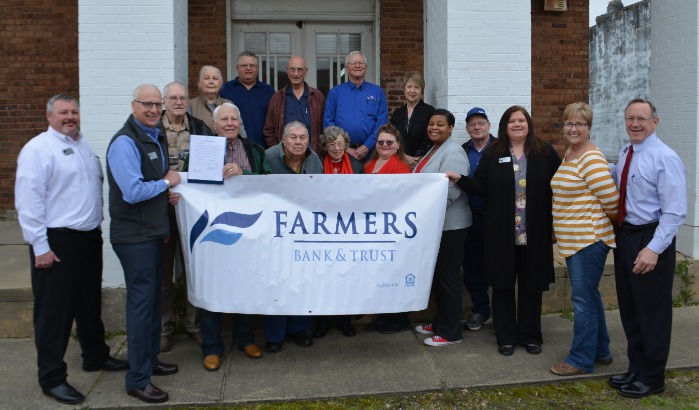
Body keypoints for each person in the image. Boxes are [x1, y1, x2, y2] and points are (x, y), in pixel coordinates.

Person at [15, 94, 129, 405]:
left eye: (74, 112)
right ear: (49, 116)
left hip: (87, 238)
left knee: (88, 304)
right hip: (56, 241)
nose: (70, 117)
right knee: (55, 314)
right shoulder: (38, 150)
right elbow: (28, 201)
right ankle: (51, 377)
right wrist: (39, 246)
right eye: (63, 112)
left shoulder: (83, 146)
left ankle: (95, 355)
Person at [446, 105, 561, 356]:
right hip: (501, 234)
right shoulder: (493, 153)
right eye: (512, 121)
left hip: (535, 233)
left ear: (528, 123)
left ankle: (530, 336)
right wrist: (459, 179)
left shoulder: (544, 152)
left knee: (531, 287)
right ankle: (506, 337)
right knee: (502, 286)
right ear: (504, 126)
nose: (517, 125)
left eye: (521, 120)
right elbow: (480, 186)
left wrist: (557, 225)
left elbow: (559, 189)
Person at [107, 84, 181, 404]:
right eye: (147, 104)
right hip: (134, 238)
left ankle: (149, 360)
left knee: (150, 303)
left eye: (157, 105)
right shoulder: (125, 142)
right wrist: (167, 182)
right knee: (140, 308)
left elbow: (153, 185)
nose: (153, 110)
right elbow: (133, 192)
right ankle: (138, 380)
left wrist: (167, 193)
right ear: (133, 105)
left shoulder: (153, 136)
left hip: (151, 233)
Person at [607, 99, 686, 398]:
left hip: (651, 239)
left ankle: (653, 377)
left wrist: (653, 249)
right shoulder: (628, 152)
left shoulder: (665, 157)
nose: (635, 124)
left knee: (652, 312)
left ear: (655, 121)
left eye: (642, 118)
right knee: (630, 308)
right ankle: (636, 369)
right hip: (627, 237)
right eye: (630, 118)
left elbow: (675, 211)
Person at [197, 103, 271, 371]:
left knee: (244, 283)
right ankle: (212, 347)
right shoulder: (203, 150)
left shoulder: (254, 150)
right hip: (211, 230)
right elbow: (188, 181)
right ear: (214, 124)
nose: (229, 123)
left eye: (234, 118)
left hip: (246, 230)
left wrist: (245, 174)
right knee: (212, 285)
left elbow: (266, 183)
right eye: (224, 119)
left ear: (240, 122)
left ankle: (245, 339)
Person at [549, 102, 618, 376]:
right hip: (574, 240)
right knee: (590, 296)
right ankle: (601, 351)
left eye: (580, 124)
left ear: (589, 128)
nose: (573, 128)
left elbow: (612, 200)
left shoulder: (591, 158)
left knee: (583, 301)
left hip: (588, 241)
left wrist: (600, 228)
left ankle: (580, 359)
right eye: (569, 123)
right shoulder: (570, 153)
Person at [158, 81, 213, 353]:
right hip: (162, 211)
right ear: (164, 101)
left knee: (193, 270)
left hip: (192, 210)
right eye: (173, 98)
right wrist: (162, 192)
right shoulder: (153, 131)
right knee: (164, 274)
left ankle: (194, 326)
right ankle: (164, 329)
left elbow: (207, 171)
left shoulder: (200, 129)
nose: (179, 102)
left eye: (182, 98)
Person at [413, 109, 471, 346]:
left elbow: (451, 191)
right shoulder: (434, 149)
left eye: (440, 124)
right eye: (431, 124)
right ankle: (440, 323)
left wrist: (421, 209)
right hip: (435, 225)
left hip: (451, 226)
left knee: (448, 277)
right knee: (438, 276)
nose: (434, 128)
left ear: (450, 128)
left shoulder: (454, 152)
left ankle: (451, 332)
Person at [263, 121, 321, 351]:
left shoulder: (314, 160)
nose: (298, 142)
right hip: (274, 232)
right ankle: (274, 336)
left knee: (302, 280)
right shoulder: (267, 157)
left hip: (303, 231)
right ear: (283, 139)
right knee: (275, 282)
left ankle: (300, 329)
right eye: (294, 138)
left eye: (303, 138)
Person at [311, 126, 363, 339]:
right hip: (322, 227)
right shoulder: (315, 164)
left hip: (348, 228)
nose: (336, 148)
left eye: (340, 143)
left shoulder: (358, 166)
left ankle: (344, 320)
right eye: (331, 144)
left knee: (346, 274)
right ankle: (323, 321)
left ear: (346, 145)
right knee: (323, 275)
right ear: (325, 146)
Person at [361, 124, 414, 334]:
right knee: (378, 275)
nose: (384, 145)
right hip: (372, 227)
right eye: (381, 142)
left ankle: (399, 319)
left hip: (391, 227)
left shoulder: (401, 167)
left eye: (389, 142)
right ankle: (384, 316)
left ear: (398, 145)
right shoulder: (369, 165)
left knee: (393, 274)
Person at [460, 107, 495, 331]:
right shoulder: (461, 150)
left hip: (495, 218)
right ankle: (481, 310)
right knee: (472, 267)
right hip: (469, 218)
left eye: (481, 123)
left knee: (498, 265)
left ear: (489, 126)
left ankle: (502, 313)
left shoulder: (503, 148)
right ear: (467, 129)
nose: (477, 127)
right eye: (472, 124)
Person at [323, 51, 388, 161]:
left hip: (372, 153)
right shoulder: (335, 93)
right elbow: (328, 123)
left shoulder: (377, 92)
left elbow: (382, 123)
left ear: (366, 67)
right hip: (341, 153)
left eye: (360, 63)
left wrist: (366, 146)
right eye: (353, 63)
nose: (357, 66)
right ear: (347, 68)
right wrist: (345, 148)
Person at [264, 56, 325, 152]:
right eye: (292, 69)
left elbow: (324, 127)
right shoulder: (277, 98)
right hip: (285, 157)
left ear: (306, 71)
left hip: (312, 154)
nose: (296, 74)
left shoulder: (317, 96)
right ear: (287, 71)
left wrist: (319, 151)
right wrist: (278, 151)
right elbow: (269, 130)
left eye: (300, 70)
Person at [220, 51, 275, 147]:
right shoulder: (225, 89)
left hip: (262, 147)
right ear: (237, 68)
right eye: (244, 65)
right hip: (232, 147)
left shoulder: (268, 91)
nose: (248, 68)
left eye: (252, 65)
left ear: (257, 68)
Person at [389, 72, 435, 168]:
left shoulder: (429, 111)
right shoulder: (397, 113)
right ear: (404, 90)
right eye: (409, 87)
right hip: (400, 159)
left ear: (421, 91)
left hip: (422, 161)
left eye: (416, 87)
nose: (412, 91)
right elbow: (393, 137)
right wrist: (404, 157)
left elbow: (429, 138)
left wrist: (418, 158)